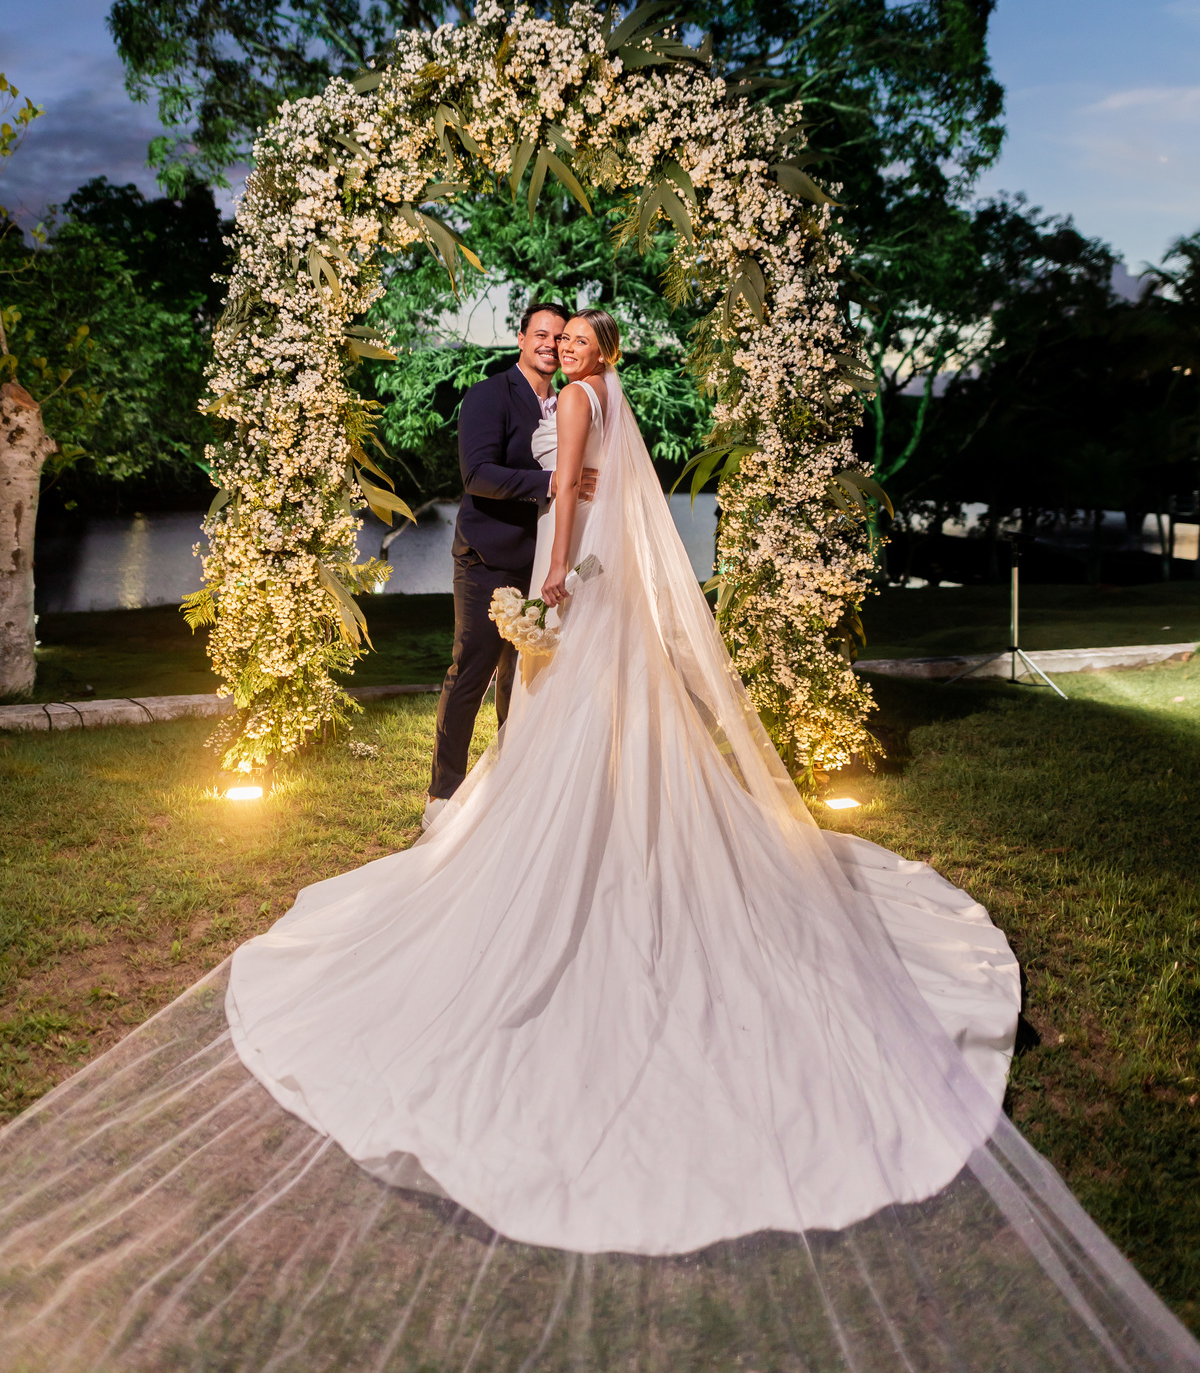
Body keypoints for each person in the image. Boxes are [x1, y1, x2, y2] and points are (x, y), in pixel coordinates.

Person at [2, 311, 1197, 1370]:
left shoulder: (578, 401)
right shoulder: (607, 401)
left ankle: (568, 851)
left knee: (563, 737)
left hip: (573, 580)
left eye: (576, 339)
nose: (564, 350)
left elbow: (572, 500)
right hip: (596, 581)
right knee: (602, 731)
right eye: (556, 338)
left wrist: (555, 588)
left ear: (596, 354)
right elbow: (582, 490)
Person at [425, 300, 596, 828]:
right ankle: (442, 795)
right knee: (472, 670)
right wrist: (552, 482)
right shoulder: (488, 394)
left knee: (522, 681)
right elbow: (477, 474)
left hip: (542, 562)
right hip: (489, 558)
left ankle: (512, 789)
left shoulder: (568, 399)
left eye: (560, 336)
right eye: (540, 334)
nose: (551, 344)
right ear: (521, 340)